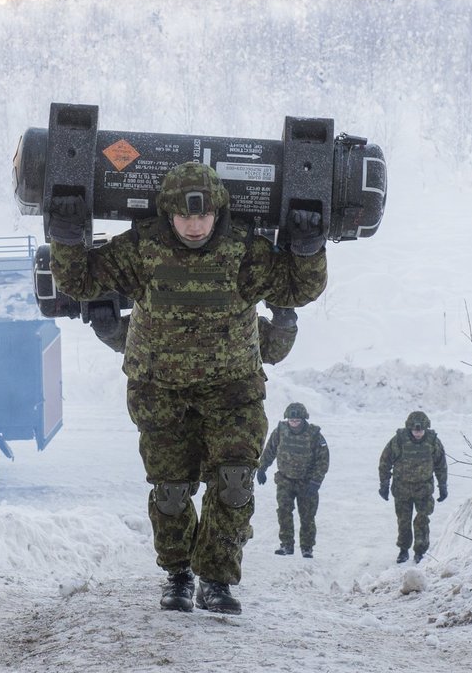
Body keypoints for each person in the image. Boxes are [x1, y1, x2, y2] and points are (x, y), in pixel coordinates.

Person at [47, 161, 327, 615]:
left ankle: (216, 579)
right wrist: (65, 233)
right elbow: (79, 279)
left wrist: (309, 245)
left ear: (218, 212)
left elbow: (298, 287)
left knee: (234, 483)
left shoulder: (244, 251)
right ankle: (178, 575)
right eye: (183, 217)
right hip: (160, 390)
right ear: (167, 215)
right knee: (172, 491)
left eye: (202, 216)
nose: (194, 226)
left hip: (232, 390)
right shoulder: (143, 249)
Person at [89, 300, 299, 365]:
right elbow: (134, 341)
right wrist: (109, 331)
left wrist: (285, 320)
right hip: (173, 406)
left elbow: (272, 350)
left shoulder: (237, 321)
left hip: (225, 408)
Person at [256, 402, 330, 559]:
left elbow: (323, 460)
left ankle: (307, 548)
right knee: (283, 512)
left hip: (307, 483)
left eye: (297, 420)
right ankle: (286, 545)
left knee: (307, 516)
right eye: (291, 419)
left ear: (303, 419)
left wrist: (316, 481)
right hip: (285, 480)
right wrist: (262, 468)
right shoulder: (280, 432)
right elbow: (270, 450)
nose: (294, 422)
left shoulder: (314, 434)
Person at [377, 410, 448, 564]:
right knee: (403, 520)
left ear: (426, 429)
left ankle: (420, 552)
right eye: (415, 430)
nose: (418, 433)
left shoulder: (433, 441)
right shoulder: (399, 441)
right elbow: (385, 462)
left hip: (424, 489)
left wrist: (443, 485)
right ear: (409, 428)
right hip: (402, 489)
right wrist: (384, 483)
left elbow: (441, 465)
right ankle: (403, 550)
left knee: (422, 519)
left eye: (421, 430)